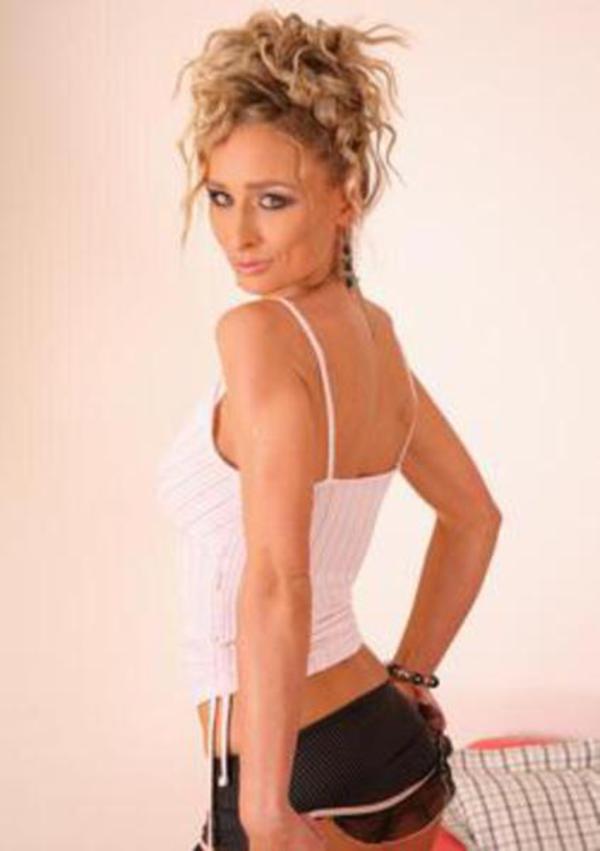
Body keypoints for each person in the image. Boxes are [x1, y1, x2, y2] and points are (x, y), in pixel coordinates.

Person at [159, 9, 502, 850]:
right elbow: (474, 517)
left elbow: (281, 579)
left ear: (345, 197)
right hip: (391, 747)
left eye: (273, 201)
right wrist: (411, 673)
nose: (238, 233)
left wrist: (265, 807)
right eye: (221, 197)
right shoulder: (376, 338)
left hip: (290, 769)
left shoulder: (259, 334)